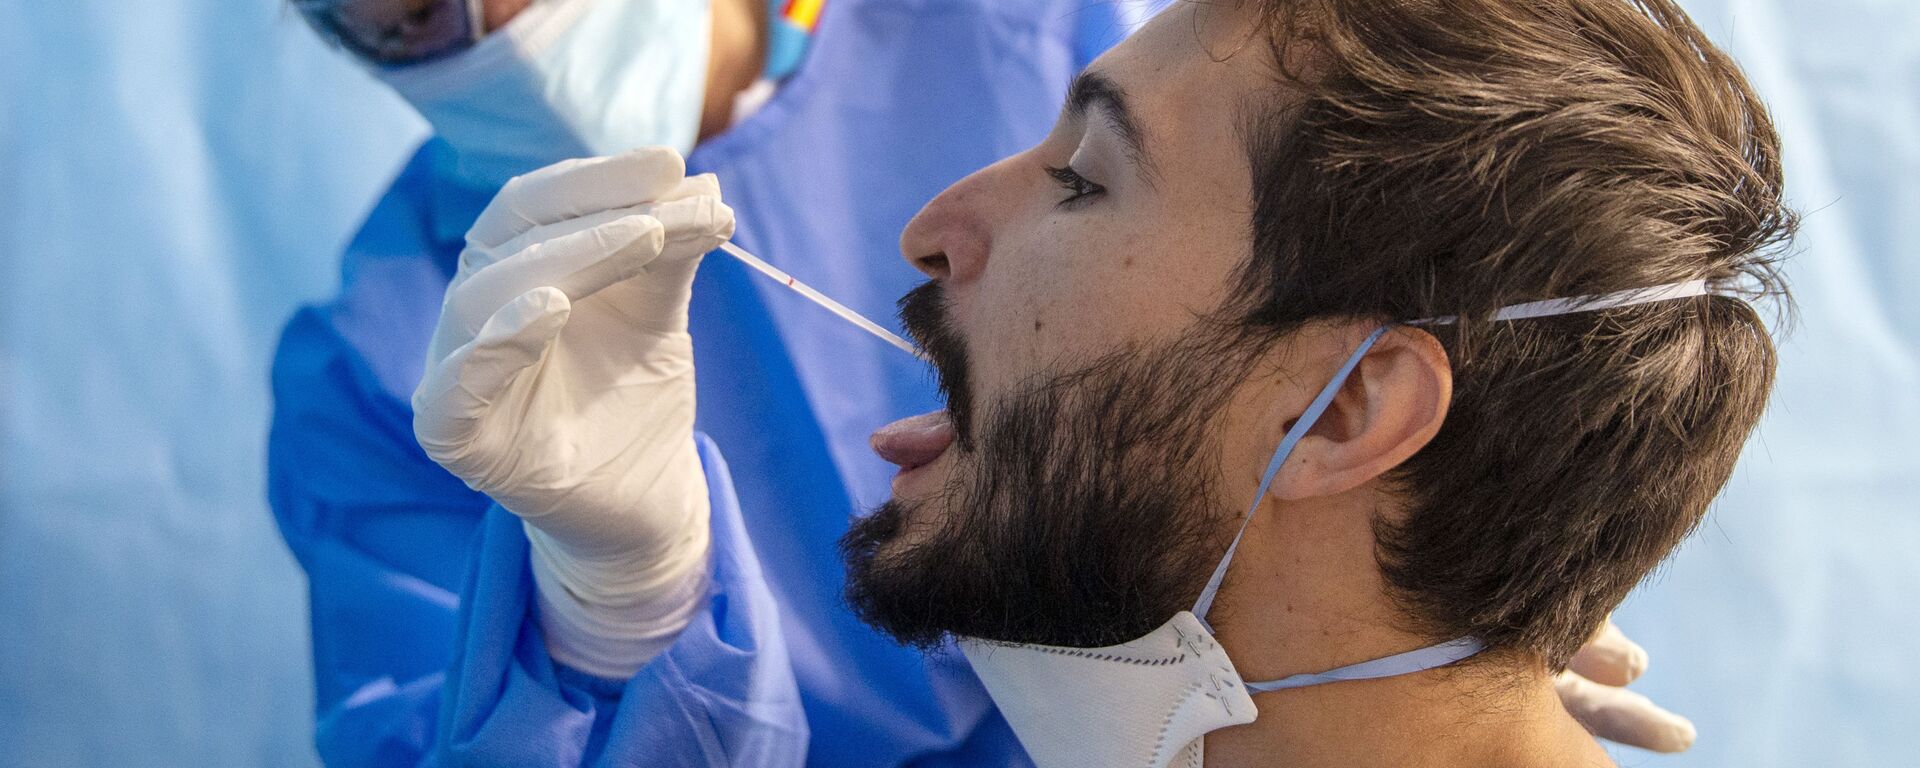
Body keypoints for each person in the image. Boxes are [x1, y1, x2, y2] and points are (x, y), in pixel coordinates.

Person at [273, 0, 1701, 765]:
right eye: (399, 15)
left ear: (1343, 416)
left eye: (1078, 179)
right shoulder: (389, 353)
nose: (480, 23)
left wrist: (1428, 570)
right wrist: (609, 624)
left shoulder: (1043, 28)